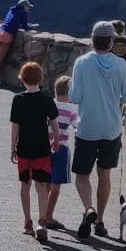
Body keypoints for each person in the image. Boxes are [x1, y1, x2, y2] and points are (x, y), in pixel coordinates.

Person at [68, 20, 126, 240]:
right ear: (112, 42)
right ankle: (101, 221)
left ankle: (88, 209)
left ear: (92, 39)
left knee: (82, 175)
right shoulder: (121, 65)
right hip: (111, 127)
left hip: (87, 126)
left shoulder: (81, 63)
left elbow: (75, 97)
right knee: (104, 174)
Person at [10, 62, 59, 243]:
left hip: (24, 149)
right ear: (40, 79)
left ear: (22, 80)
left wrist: (12, 147)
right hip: (41, 149)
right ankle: (42, 221)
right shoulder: (47, 99)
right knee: (41, 186)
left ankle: (27, 222)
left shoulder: (18, 100)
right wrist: (56, 140)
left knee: (25, 185)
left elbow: (15, 125)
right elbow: (54, 121)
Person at [43, 74, 77, 230]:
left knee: (46, 182)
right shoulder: (71, 109)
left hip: (45, 148)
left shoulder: (48, 105)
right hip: (61, 148)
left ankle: (45, 213)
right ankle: (48, 217)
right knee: (56, 186)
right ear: (70, 93)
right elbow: (77, 126)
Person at [0, 0, 33, 83]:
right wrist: (31, 27)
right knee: (0, 59)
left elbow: (12, 22)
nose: (28, 8)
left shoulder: (11, 10)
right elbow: (25, 25)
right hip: (7, 35)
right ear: (24, 6)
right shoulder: (23, 12)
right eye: (27, 6)